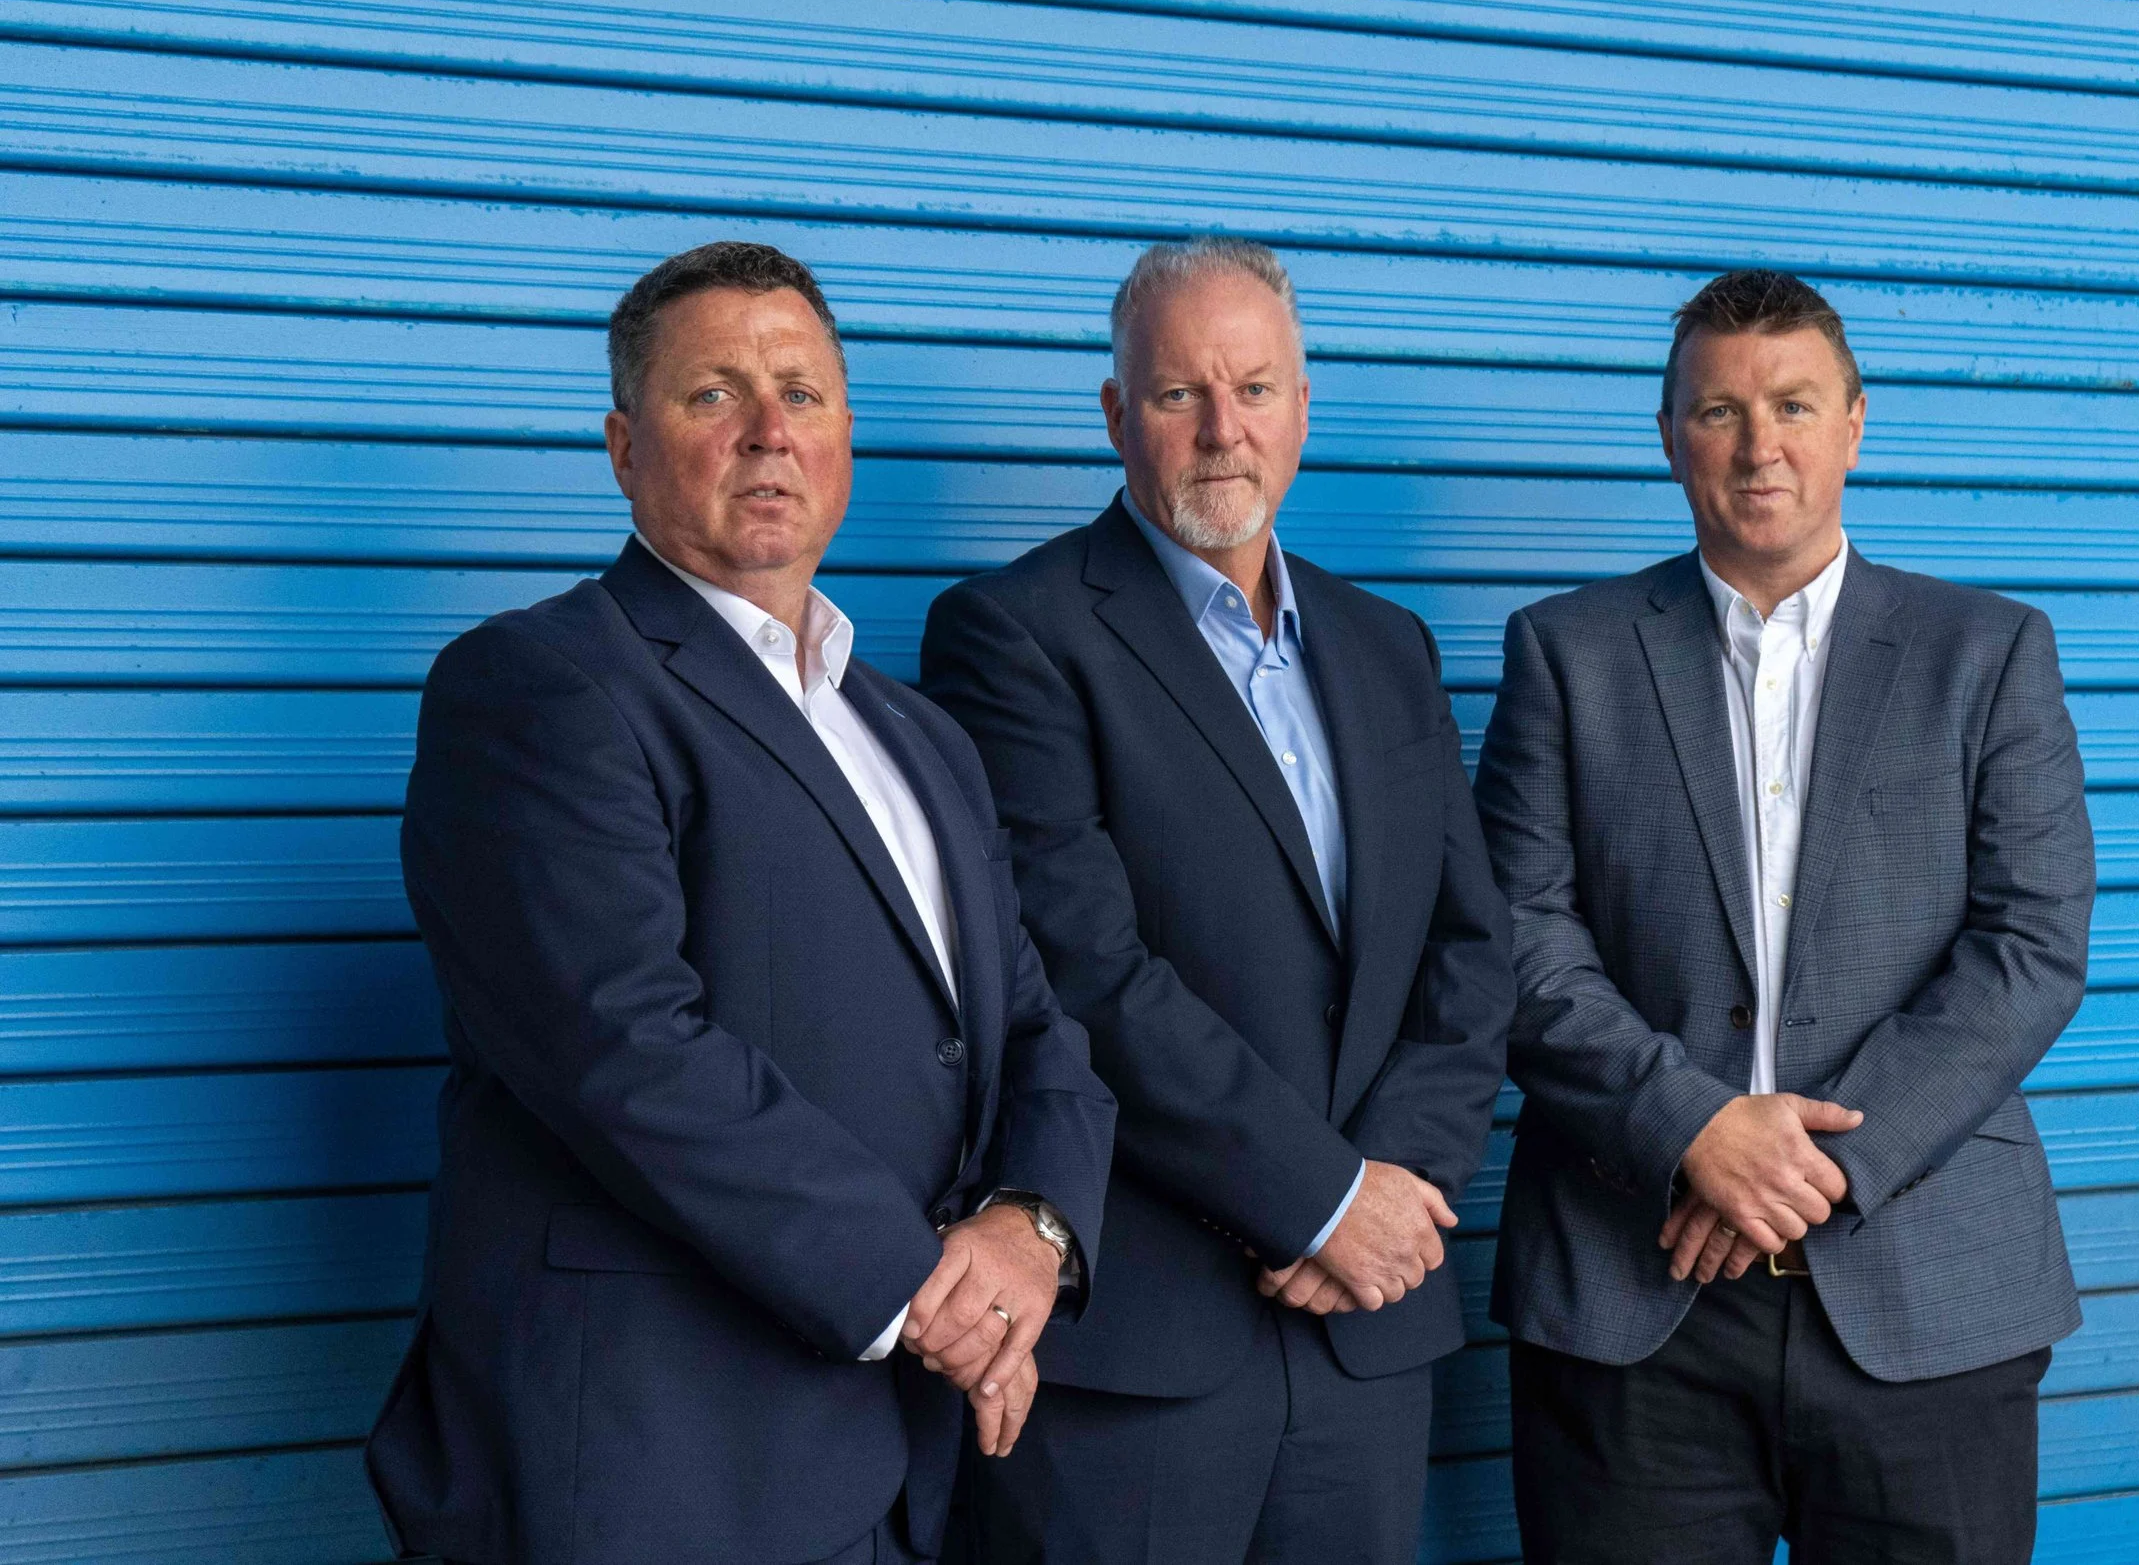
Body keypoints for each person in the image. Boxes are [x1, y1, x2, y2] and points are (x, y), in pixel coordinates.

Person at [365, 241, 1116, 1565]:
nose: (769, 429)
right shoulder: (542, 686)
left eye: (803, 393)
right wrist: (928, 1293)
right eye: (713, 394)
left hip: (899, 1453)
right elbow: (625, 1048)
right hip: (662, 1464)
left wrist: (1032, 1233)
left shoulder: (919, 733)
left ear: (846, 438)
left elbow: (1038, 1031)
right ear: (622, 445)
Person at [1476, 268, 2094, 1563]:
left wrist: (1813, 1169)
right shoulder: (1566, 654)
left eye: (1794, 404)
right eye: (1719, 411)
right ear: (1668, 435)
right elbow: (1517, 939)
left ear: (1856, 423)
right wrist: (1690, 1125)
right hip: (1633, 1305)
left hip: (1929, 1303)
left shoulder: (1986, 653)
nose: (1760, 444)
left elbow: (2030, 946)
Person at [919, 236, 1515, 1564]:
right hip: (1144, 1351)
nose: (1221, 429)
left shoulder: (1387, 646)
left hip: (1367, 1332)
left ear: (1305, 408)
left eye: (1254, 387)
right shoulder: (1017, 633)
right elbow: (1081, 968)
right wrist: (1317, 1196)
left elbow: (1471, 953)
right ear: (1117, 414)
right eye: (1180, 392)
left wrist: (1394, 1188)